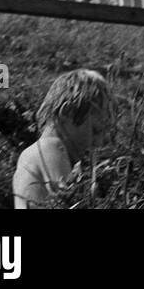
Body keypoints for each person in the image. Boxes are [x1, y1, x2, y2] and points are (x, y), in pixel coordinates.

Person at [12, 68, 114, 209]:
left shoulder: (34, 152)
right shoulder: (52, 147)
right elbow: (69, 201)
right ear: (67, 112)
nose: (97, 142)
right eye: (95, 130)